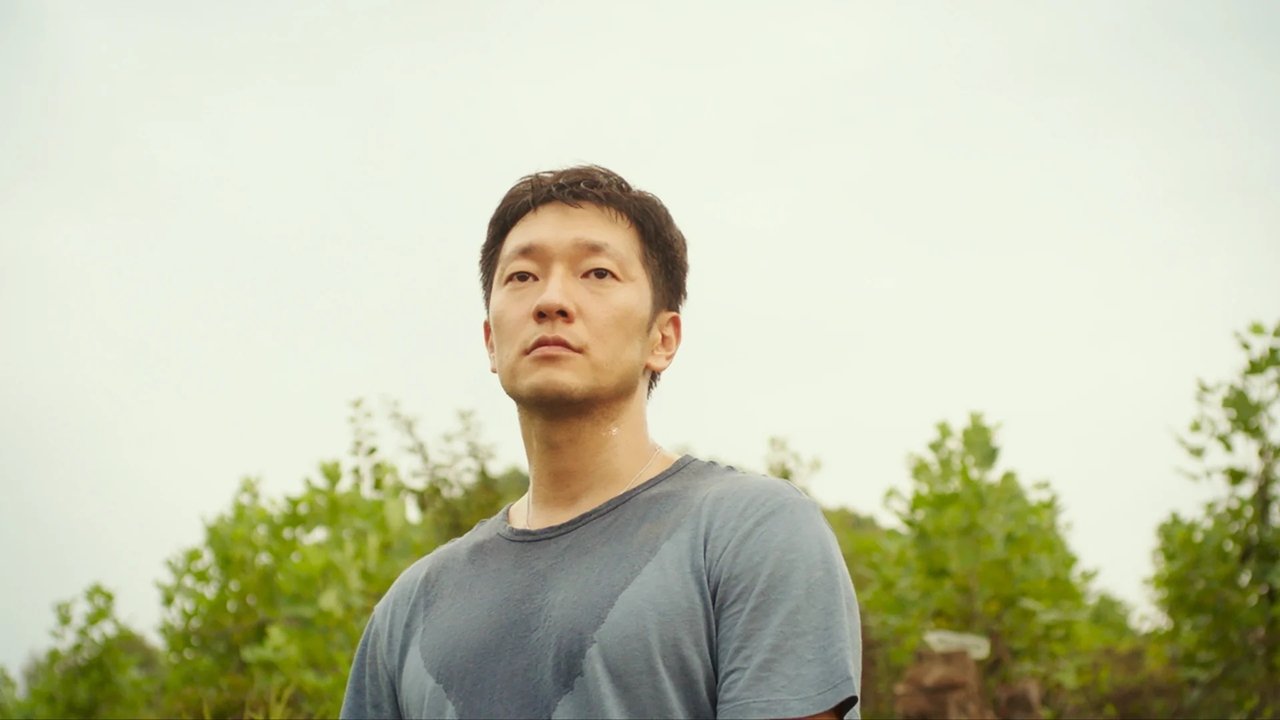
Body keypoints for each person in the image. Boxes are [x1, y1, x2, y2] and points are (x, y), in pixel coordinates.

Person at [339, 165, 862, 719]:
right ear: (491, 341)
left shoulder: (749, 533)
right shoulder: (410, 608)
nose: (551, 300)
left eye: (597, 272)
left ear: (662, 338)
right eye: (522, 276)